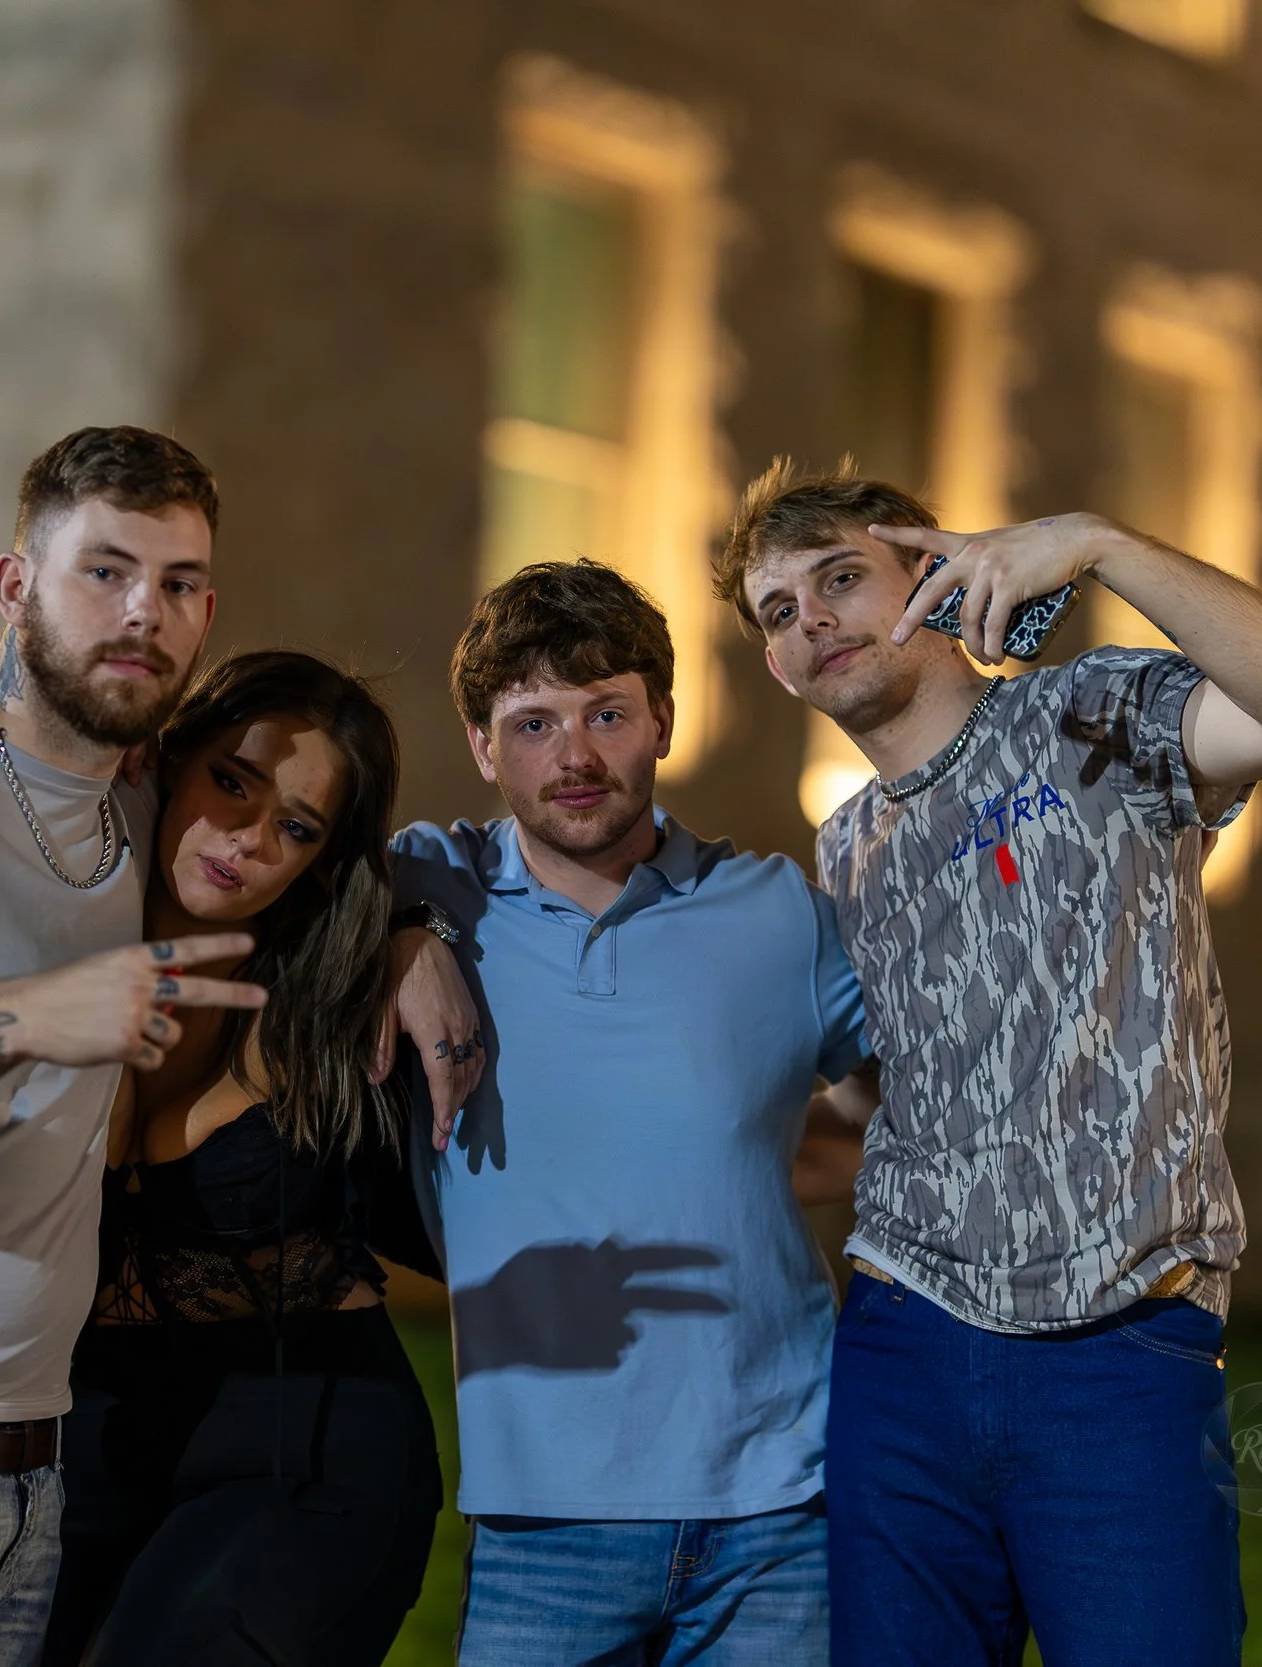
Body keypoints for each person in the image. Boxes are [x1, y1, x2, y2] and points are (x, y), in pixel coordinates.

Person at [0, 431, 479, 1666]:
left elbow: (299, 838)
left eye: (177, 584)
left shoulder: (137, 800)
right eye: (106, 571)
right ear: (16, 585)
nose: (143, 612)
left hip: (39, 1476)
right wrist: (28, 1014)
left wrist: (407, 925)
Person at [715, 459, 1262, 1667]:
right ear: (775, 666)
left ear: (937, 574)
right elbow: (884, 1090)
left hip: (1114, 1346)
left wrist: (1097, 542)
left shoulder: (1092, 718)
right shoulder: (846, 846)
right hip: (901, 1346)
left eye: (841, 578)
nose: (812, 620)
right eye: (779, 611)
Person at [391, 560, 871, 1665]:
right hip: (542, 1519)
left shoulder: (775, 910)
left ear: (663, 717)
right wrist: (402, 933)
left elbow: (903, 1095)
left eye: (607, 712)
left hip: (781, 1506)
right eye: (532, 722)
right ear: (479, 746)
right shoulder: (426, 885)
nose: (573, 756)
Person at [45, 650, 443, 1666]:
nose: (248, 839)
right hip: (87, 1433)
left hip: (303, 1441)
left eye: (297, 827)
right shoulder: (43, 949)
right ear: (167, 759)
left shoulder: (335, 1000)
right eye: (232, 779)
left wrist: (417, 928)